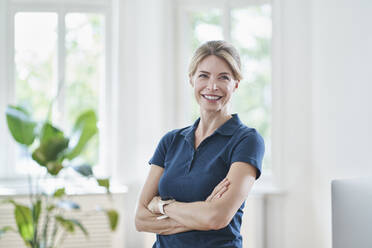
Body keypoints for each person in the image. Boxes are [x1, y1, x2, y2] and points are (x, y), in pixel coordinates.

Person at [135, 40, 265, 248]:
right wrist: (202, 213)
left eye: (223, 77)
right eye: (203, 75)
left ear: (236, 84)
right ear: (191, 80)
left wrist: (163, 206)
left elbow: (217, 218)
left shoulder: (247, 140)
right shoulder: (171, 141)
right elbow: (140, 219)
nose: (212, 86)